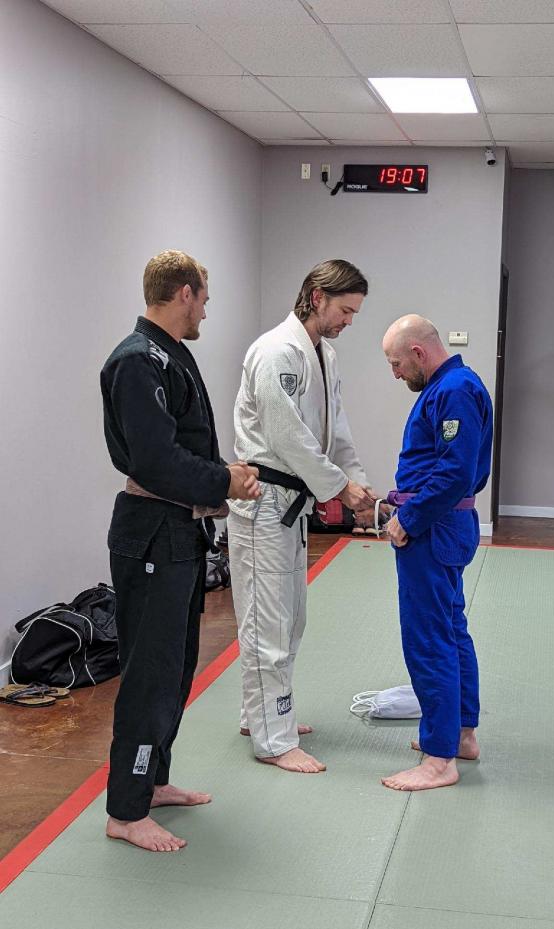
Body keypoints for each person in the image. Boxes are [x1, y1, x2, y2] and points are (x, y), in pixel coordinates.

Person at [100, 250, 260, 851]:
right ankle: (125, 810)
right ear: (185, 293)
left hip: (178, 531)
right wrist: (224, 482)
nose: (206, 312)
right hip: (151, 532)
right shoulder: (136, 361)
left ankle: (153, 780)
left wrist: (224, 474)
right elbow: (154, 460)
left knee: (177, 665)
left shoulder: (166, 355)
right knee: (150, 672)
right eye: (204, 300)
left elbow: (180, 446)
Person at [228, 258, 376, 774]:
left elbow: (337, 431)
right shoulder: (275, 351)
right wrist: (339, 487)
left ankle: (262, 714)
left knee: (291, 619)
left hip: (294, 505)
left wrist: (357, 484)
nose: (349, 321)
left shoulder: (323, 354)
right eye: (345, 310)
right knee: (267, 621)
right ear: (317, 297)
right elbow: (287, 436)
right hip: (264, 500)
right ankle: (272, 739)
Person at [380, 315, 493, 791]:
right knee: (450, 628)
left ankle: (439, 758)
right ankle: (460, 735)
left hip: (433, 529)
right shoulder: (449, 388)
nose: (395, 374)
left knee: (429, 638)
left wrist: (408, 518)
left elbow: (454, 473)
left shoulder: (454, 390)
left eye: (396, 363)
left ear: (419, 353)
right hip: (443, 524)